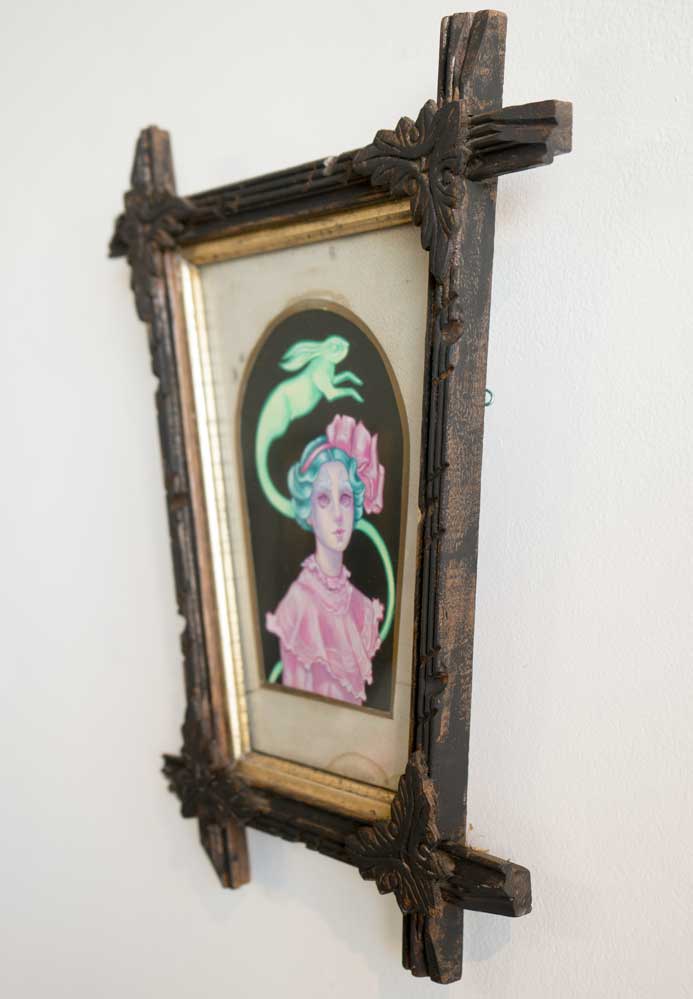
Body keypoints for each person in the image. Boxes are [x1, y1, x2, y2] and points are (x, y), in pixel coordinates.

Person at [266, 414, 385, 705]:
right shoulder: (298, 606)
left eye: (344, 498)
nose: (337, 514)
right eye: (323, 499)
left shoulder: (361, 608)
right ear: (308, 511)